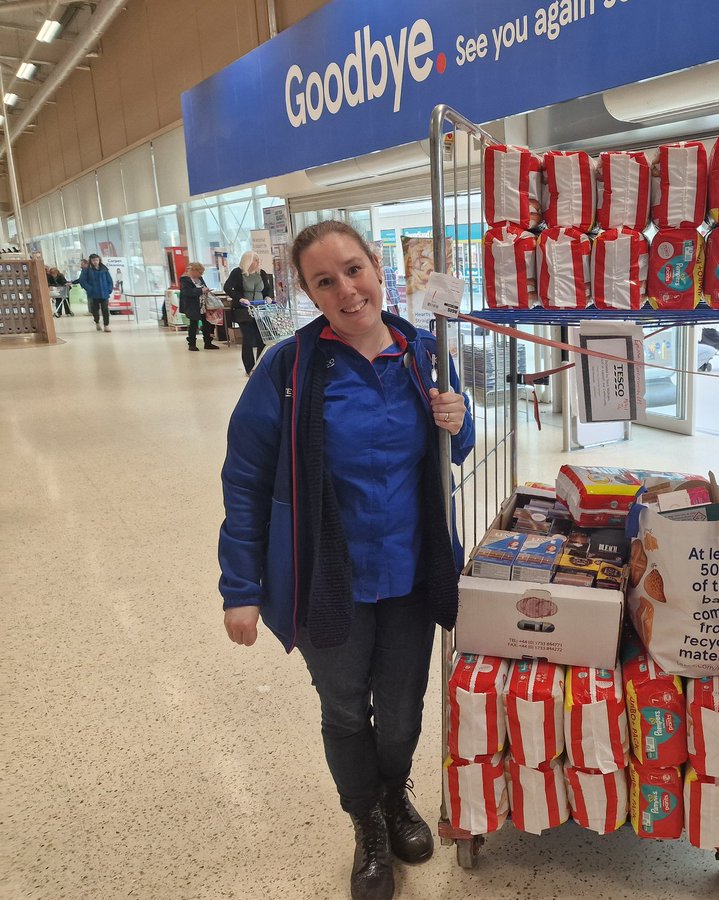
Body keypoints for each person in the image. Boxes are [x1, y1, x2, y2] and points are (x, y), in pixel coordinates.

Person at [218, 220, 474, 900]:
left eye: (354, 269)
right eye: (324, 281)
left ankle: (395, 795)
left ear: (377, 267)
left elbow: (458, 439)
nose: (346, 290)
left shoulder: (423, 353)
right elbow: (244, 479)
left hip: (412, 574)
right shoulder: (290, 368)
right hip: (324, 576)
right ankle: (366, 824)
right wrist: (239, 586)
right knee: (341, 707)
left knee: (402, 709)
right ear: (306, 291)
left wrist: (460, 418)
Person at [224, 251, 275, 376]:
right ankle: (249, 368)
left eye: (258, 260)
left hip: (261, 310)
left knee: (262, 339)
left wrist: (268, 297)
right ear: (248, 261)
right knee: (248, 338)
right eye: (255, 260)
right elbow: (228, 287)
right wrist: (240, 298)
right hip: (244, 311)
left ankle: (260, 365)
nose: (258, 262)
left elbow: (268, 288)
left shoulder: (261, 273)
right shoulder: (238, 273)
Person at [178, 262, 219, 351]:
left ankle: (208, 342)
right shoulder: (185, 279)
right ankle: (192, 344)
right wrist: (200, 291)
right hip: (192, 305)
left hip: (203, 305)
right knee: (193, 324)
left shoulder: (199, 278)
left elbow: (203, 287)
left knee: (207, 323)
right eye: (199, 272)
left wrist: (206, 290)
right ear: (193, 270)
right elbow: (187, 292)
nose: (200, 275)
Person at [78, 254, 114, 332]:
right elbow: (82, 280)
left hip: (104, 292)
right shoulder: (86, 270)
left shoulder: (104, 269)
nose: (95, 262)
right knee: (95, 310)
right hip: (93, 294)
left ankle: (106, 325)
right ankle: (97, 322)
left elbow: (109, 280)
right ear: (90, 261)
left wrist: (109, 289)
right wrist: (89, 289)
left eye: (97, 260)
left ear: (99, 260)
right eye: (94, 260)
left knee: (105, 309)